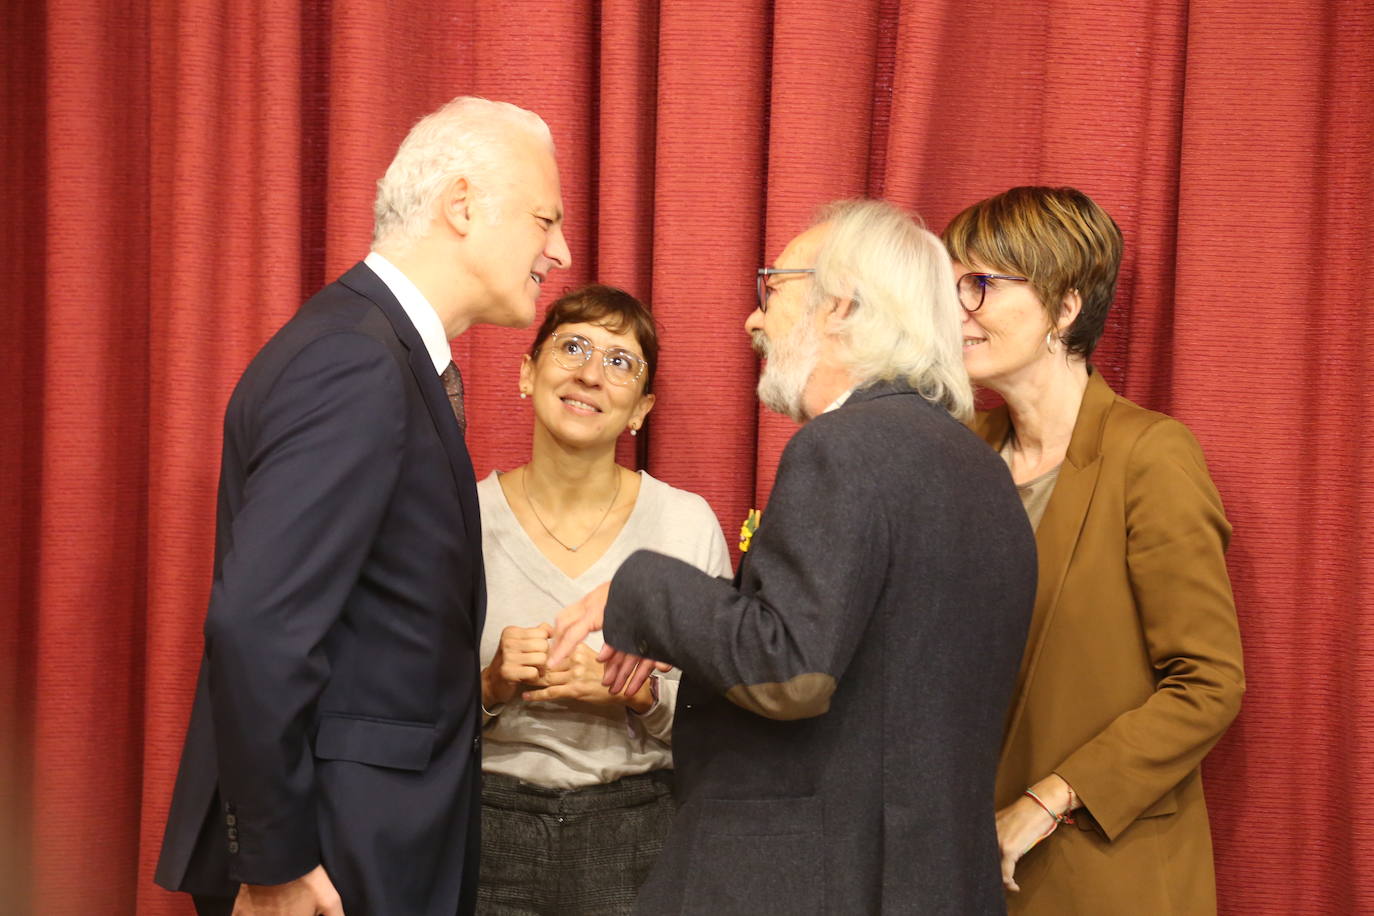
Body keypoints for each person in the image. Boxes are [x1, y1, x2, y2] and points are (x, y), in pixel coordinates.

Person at [549, 199, 1037, 914]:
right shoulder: (984, 472)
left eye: (772, 288)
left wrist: (640, 591)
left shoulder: (839, 447)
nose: (754, 321)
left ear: (840, 306)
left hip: (808, 881)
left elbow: (789, 670)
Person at [154, 96, 571, 916]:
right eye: (544, 220)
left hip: (366, 837)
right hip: (333, 858)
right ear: (462, 205)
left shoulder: (372, 346)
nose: (558, 250)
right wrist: (276, 862)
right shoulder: (355, 359)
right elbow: (258, 624)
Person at [941, 186, 1245, 913]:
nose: (955, 309)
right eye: (947, 286)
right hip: (961, 865)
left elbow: (1208, 684)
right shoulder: (956, 453)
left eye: (979, 284)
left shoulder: (1150, 455)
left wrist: (1048, 801)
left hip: (1105, 873)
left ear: (1065, 307)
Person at [474, 284, 731, 914]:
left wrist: (637, 695)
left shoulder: (686, 524)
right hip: (483, 832)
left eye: (620, 362)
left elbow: (727, 727)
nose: (590, 375)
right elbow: (399, 712)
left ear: (641, 408)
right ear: (526, 373)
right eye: (572, 348)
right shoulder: (460, 519)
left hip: (641, 835)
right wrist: (491, 685)